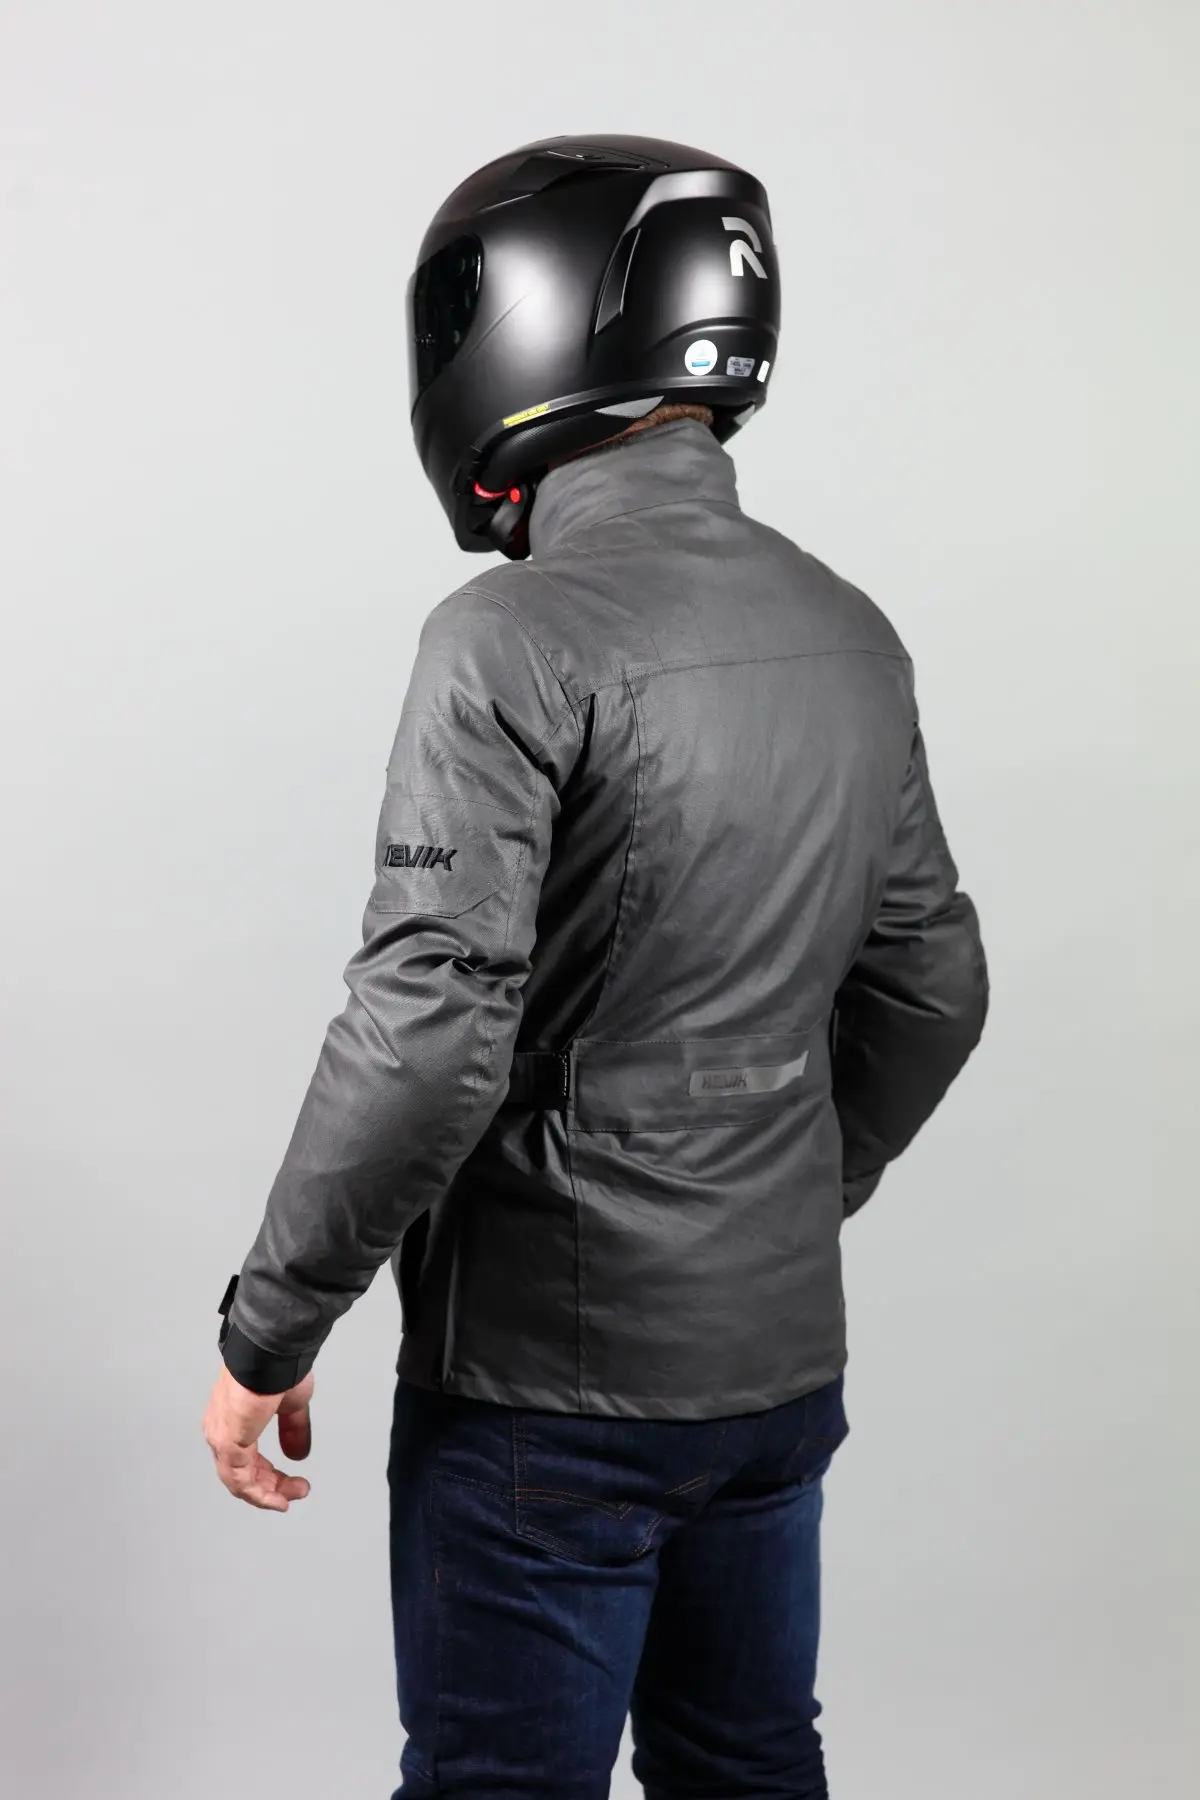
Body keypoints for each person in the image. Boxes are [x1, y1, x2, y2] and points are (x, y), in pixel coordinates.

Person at [202, 133, 989, 1798]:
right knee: (748, 1765)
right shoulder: (849, 627)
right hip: (774, 1374)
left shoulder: (509, 638)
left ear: (532, 324)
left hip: (543, 1396)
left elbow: (429, 1035)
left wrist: (270, 1331)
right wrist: (773, 1201)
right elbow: (934, 985)